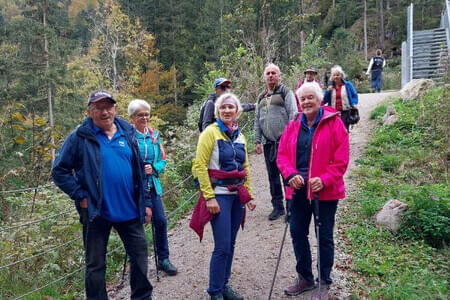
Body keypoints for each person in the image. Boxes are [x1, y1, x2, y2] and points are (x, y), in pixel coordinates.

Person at [52, 90, 153, 300]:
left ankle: (142, 297)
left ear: (115, 108)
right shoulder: (80, 137)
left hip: (130, 208)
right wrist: (79, 195)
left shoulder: (128, 131)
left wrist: (147, 202)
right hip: (96, 211)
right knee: (95, 264)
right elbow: (59, 171)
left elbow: (139, 170)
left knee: (140, 256)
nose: (105, 112)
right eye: (99, 108)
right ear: (90, 112)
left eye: (108, 107)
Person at [277, 82, 349, 300]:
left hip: (324, 193)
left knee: (324, 236)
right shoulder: (293, 125)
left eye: (311, 97)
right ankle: (305, 277)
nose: (307, 102)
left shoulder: (335, 123)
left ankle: (324, 280)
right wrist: (290, 175)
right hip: (297, 191)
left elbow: (341, 159)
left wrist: (325, 179)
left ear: (320, 100)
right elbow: (281, 156)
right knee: (298, 234)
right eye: (304, 98)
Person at [192, 93, 256, 300]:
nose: (227, 111)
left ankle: (224, 284)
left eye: (231, 107)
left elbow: (244, 167)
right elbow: (200, 166)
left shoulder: (240, 136)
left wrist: (250, 195)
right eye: (223, 107)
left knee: (232, 243)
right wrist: (209, 197)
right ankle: (215, 291)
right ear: (218, 110)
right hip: (219, 195)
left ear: (237, 110)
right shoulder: (210, 133)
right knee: (222, 246)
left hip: (237, 196)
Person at [128, 99, 178, 276]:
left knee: (161, 221)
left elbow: (162, 159)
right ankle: (138, 264)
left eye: (146, 114)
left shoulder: (154, 136)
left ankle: (163, 259)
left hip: (152, 185)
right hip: (134, 187)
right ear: (132, 117)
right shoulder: (127, 137)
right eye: (140, 115)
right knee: (136, 226)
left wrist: (154, 168)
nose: (144, 117)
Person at [254, 63, 298, 221]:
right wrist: (257, 140)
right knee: (272, 176)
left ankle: (291, 208)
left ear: (279, 76)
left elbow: (294, 115)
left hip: (284, 143)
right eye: (268, 73)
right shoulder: (261, 97)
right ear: (264, 77)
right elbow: (257, 121)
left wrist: (291, 138)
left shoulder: (286, 92)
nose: (271, 75)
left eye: (274, 73)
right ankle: (277, 207)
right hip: (268, 144)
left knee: (287, 175)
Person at [323, 65, 358, 132]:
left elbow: (354, 95)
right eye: (334, 75)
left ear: (341, 75)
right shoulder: (330, 87)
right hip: (333, 112)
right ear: (332, 77)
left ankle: (345, 142)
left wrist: (354, 103)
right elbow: (325, 100)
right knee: (334, 129)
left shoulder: (348, 85)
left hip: (345, 110)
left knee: (344, 129)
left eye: (338, 75)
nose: (336, 77)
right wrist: (328, 91)